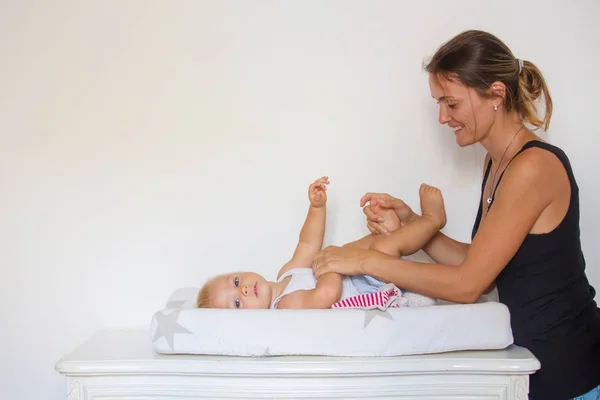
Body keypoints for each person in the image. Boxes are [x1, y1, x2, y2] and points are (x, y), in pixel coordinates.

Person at [311, 30, 600, 400]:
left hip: (568, 367)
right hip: (531, 363)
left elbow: (469, 284)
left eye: (451, 104)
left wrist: (366, 260)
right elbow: (482, 262)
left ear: (496, 94)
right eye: (438, 104)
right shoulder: (499, 163)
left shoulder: (533, 167)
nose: (442, 117)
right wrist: (416, 225)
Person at [195, 176, 443, 310]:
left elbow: (307, 243)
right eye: (237, 303)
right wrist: (329, 265)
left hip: (361, 273)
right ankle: (432, 220)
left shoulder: (286, 275)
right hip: (367, 287)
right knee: (375, 250)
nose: (244, 290)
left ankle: (390, 231)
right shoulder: (285, 306)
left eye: (237, 282)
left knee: (353, 249)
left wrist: (317, 207)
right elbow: (326, 294)